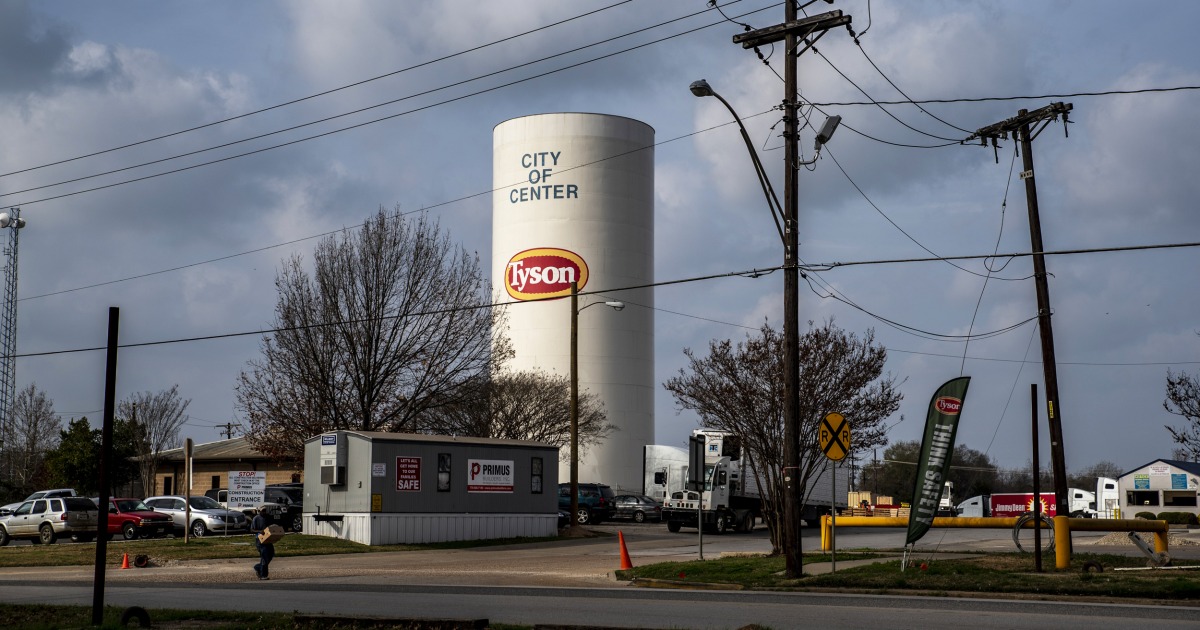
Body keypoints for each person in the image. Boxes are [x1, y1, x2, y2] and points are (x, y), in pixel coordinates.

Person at [251, 504, 275, 580]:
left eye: (265, 510)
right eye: (263, 511)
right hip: (260, 540)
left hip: (268, 539)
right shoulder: (256, 518)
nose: (264, 512)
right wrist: (260, 531)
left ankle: (258, 567)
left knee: (271, 554)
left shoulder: (267, 518)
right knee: (264, 556)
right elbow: (252, 530)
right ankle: (263, 575)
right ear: (259, 511)